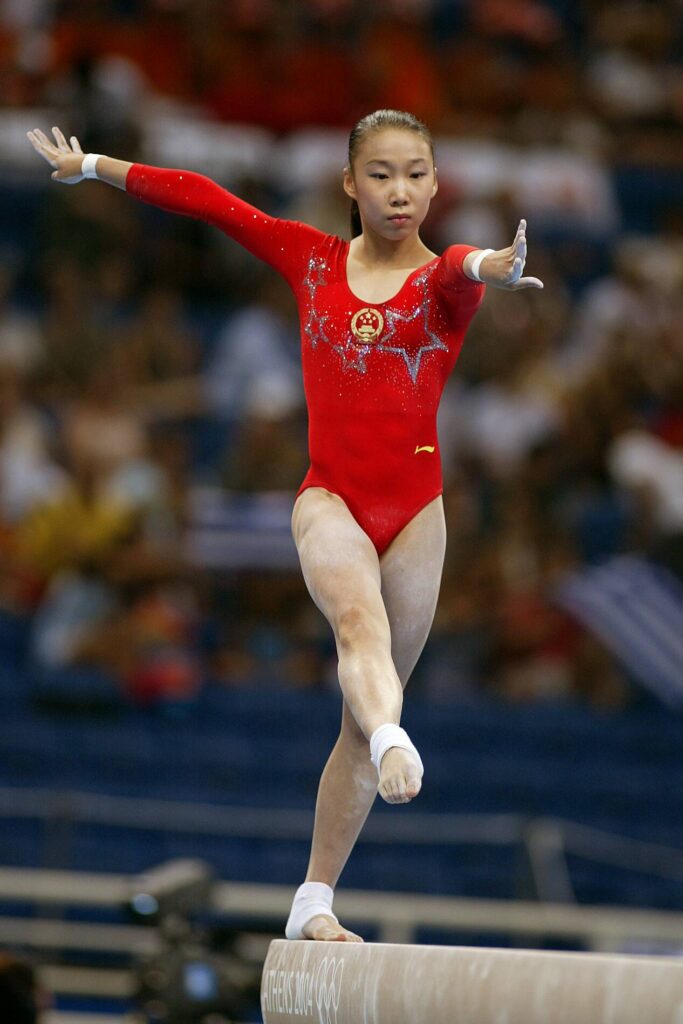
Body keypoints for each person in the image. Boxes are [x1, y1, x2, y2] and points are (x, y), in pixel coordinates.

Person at [28, 111, 543, 943]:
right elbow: (211, 202)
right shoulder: (310, 259)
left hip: (418, 513)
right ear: (349, 183)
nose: (399, 191)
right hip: (329, 498)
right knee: (357, 629)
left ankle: (313, 898)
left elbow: (461, 262)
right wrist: (92, 166)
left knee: (357, 719)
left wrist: (495, 265)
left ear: (435, 186)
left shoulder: (446, 280)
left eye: (415, 174)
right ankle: (392, 736)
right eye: (379, 174)